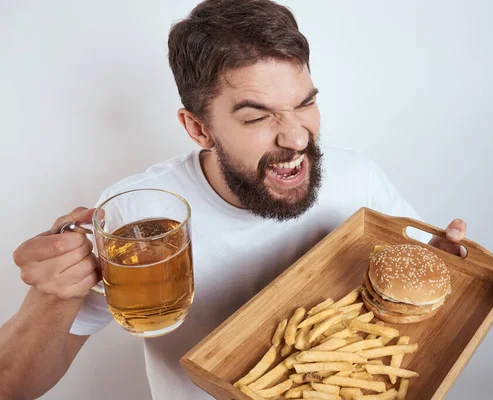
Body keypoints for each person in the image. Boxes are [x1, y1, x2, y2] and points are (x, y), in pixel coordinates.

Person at [0, 0, 467, 399]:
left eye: (304, 103)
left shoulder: (357, 177)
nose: (296, 137)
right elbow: (13, 385)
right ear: (199, 128)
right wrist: (50, 297)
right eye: (256, 117)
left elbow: (419, 287)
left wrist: (449, 267)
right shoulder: (134, 215)